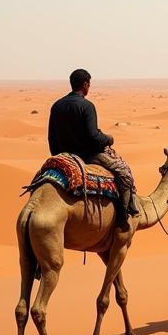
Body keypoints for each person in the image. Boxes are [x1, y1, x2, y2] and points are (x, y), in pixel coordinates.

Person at [48, 68, 138, 228]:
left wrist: (59, 156)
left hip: (63, 155)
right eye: (89, 84)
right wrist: (108, 139)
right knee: (124, 173)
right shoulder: (86, 106)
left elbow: (51, 138)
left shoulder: (57, 106)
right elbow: (93, 137)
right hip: (87, 155)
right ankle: (123, 217)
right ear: (85, 85)